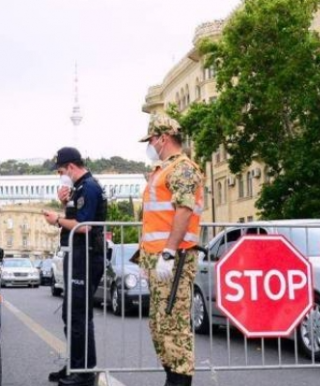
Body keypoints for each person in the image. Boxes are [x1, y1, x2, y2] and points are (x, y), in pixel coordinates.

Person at [137, 116, 204, 386]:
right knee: (160, 326)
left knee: (174, 330)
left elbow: (184, 210)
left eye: (151, 139)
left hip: (174, 261)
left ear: (163, 138)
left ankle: (178, 382)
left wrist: (168, 252)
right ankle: (171, 379)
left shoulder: (182, 168)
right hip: (159, 261)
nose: (150, 144)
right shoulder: (162, 170)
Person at [42, 147, 107, 386]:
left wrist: (56, 220)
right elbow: (75, 217)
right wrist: (65, 203)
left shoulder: (89, 187)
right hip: (78, 254)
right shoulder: (78, 189)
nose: (59, 176)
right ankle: (75, 364)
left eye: (60, 171)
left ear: (70, 167)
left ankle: (85, 372)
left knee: (79, 314)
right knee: (72, 313)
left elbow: (84, 225)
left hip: (87, 255)